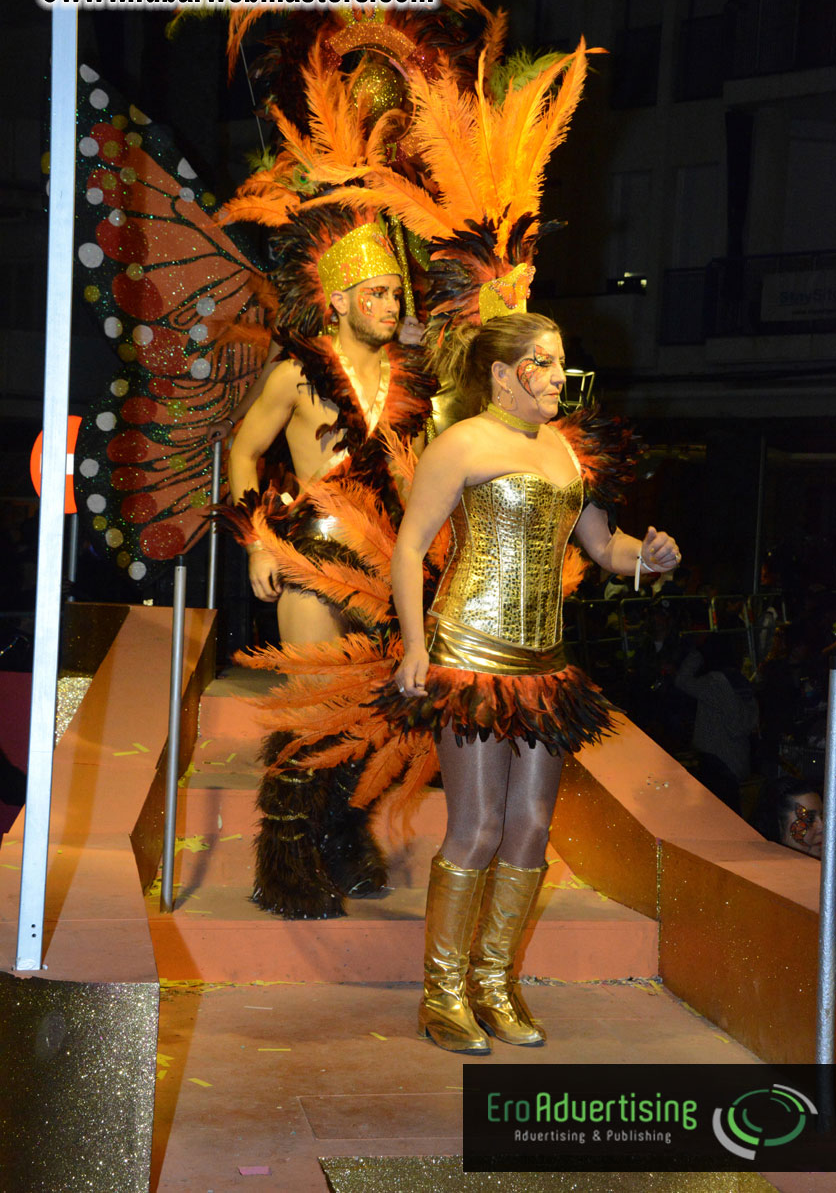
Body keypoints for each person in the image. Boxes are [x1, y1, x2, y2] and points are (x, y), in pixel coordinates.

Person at [386, 312, 680, 1053]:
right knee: (479, 824)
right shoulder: (461, 442)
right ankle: (442, 994)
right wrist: (416, 645)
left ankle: (492, 984)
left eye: (559, 362)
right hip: (471, 652)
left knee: (531, 827)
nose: (556, 377)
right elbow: (410, 544)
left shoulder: (569, 450)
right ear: (500, 373)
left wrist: (649, 558)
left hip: (544, 663)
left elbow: (603, 547)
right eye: (542, 363)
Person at [224, 207, 434, 918]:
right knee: (314, 711)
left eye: (396, 294)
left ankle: (342, 840)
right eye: (376, 294)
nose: (390, 305)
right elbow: (244, 451)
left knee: (369, 717)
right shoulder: (296, 372)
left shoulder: (410, 382)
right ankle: (286, 862)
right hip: (312, 556)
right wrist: (257, 539)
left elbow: (420, 478)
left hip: (386, 565)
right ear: (339, 300)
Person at [674, 634, 759, 814]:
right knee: (732, 813)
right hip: (737, 758)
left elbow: (682, 680)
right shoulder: (741, 681)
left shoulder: (714, 682)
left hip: (716, 758)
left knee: (716, 814)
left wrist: (697, 653)